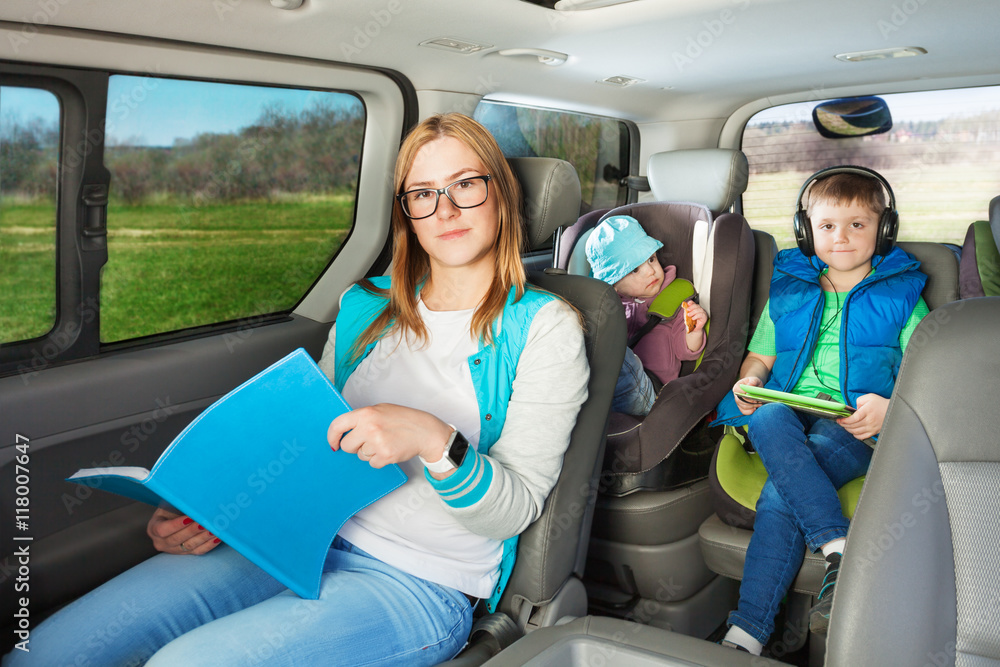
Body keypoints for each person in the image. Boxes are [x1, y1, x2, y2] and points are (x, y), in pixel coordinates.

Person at [4, 113, 589, 667]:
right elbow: (309, 445)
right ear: (406, 211)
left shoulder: (546, 327)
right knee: (52, 650)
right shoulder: (366, 308)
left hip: (420, 582)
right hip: (293, 538)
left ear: (502, 194)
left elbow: (511, 513)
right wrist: (217, 514)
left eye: (466, 184)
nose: (445, 209)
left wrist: (434, 439)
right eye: (423, 193)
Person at [710, 167, 929, 655]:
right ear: (807, 231)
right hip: (787, 414)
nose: (842, 237)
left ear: (884, 229)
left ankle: (745, 632)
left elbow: (928, 370)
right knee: (765, 415)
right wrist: (751, 382)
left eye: (858, 224)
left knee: (779, 496)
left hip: (853, 424)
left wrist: (890, 407)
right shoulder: (788, 289)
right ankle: (841, 548)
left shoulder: (902, 295)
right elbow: (760, 356)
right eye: (828, 226)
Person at [585, 215, 707, 415]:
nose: (651, 271)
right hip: (606, 389)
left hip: (652, 392)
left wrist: (694, 330)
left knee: (612, 350)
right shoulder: (611, 306)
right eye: (634, 270)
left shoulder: (674, 301)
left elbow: (686, 350)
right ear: (613, 285)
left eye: (651, 259)